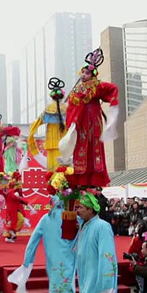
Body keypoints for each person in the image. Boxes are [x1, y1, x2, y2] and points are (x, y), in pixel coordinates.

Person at [59, 48, 119, 189]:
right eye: (83, 73)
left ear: (92, 75)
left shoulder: (96, 85)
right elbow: (71, 107)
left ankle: (93, 179)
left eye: (87, 73)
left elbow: (113, 88)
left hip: (92, 121)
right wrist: (72, 122)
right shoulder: (77, 90)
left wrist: (113, 105)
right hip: (80, 122)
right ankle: (81, 178)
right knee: (80, 146)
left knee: (93, 146)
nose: (83, 75)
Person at [64, 193, 118, 293]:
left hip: (98, 275)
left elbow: (107, 253)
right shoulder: (85, 225)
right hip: (87, 273)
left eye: (81, 208)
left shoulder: (102, 227)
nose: (78, 211)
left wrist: (106, 276)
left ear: (91, 209)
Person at [7, 196, 76, 293]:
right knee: (64, 278)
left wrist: (27, 260)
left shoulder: (46, 218)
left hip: (52, 256)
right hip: (69, 254)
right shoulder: (73, 217)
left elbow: (33, 240)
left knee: (58, 278)